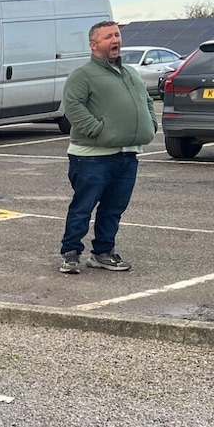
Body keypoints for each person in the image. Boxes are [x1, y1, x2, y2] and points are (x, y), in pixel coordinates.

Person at [58, 20, 157, 274]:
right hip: (92, 158)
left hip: (127, 154)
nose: (115, 40)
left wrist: (151, 124)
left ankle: (103, 252)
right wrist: (98, 130)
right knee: (82, 207)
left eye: (117, 35)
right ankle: (70, 253)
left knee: (113, 209)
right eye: (108, 37)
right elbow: (74, 107)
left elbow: (146, 100)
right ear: (94, 45)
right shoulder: (82, 75)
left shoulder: (131, 73)